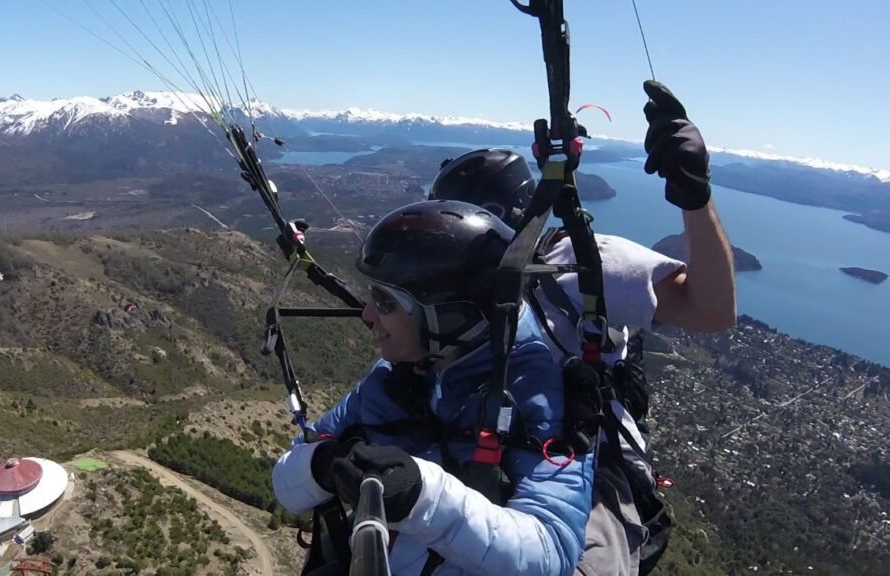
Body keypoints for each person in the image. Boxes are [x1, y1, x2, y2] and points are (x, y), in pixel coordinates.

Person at [428, 81, 737, 575]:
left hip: (585, 466)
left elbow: (711, 310)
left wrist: (694, 197)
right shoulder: (459, 289)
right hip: (479, 449)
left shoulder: (580, 262)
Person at [272, 199, 595, 575]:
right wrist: (322, 465)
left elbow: (552, 552)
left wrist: (422, 495)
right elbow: (286, 483)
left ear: (447, 317)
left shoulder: (536, 396)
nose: (367, 314)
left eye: (385, 301)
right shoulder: (393, 380)